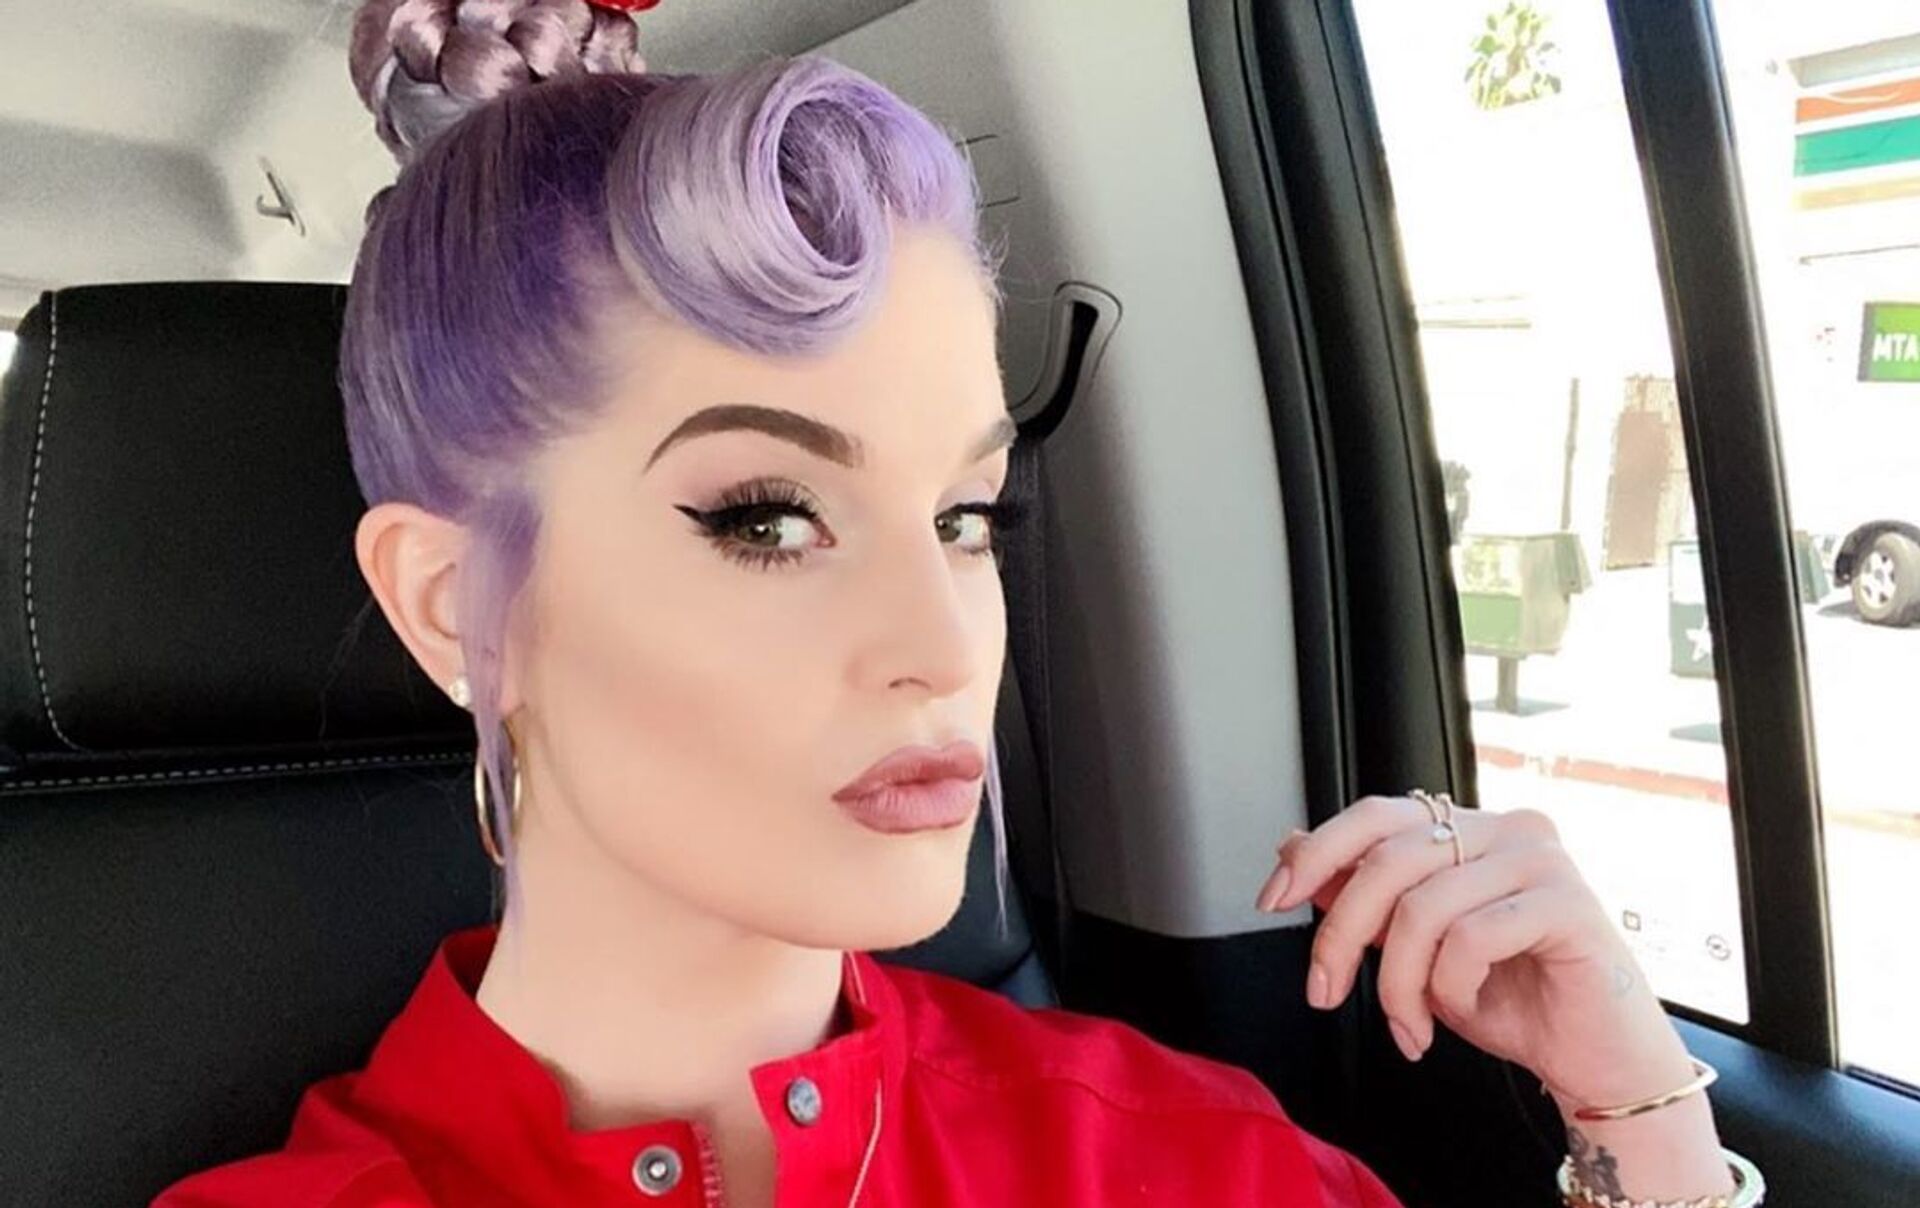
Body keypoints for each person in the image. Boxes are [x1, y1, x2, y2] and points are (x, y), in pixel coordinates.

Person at [155, 1, 1763, 1204]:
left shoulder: (1182, 1159)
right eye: (770, 518)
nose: (942, 647)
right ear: (457, 609)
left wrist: (1641, 1116)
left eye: (966, 516)